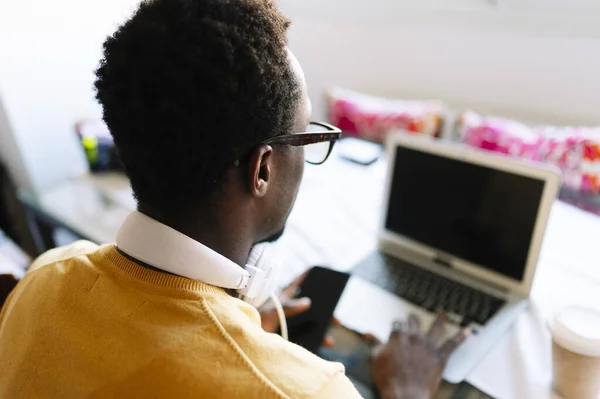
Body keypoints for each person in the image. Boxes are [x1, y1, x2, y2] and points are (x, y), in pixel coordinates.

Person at [0, 0, 468, 397]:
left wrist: (236, 320)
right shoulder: (307, 389)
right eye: (305, 133)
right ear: (262, 169)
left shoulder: (46, 276)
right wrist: (408, 389)